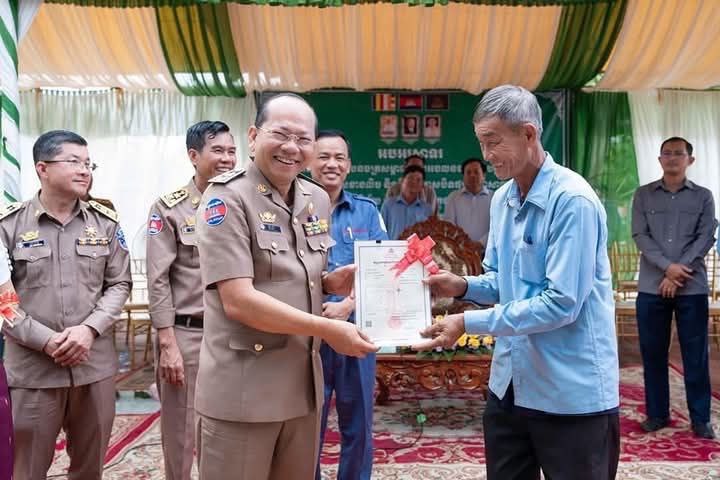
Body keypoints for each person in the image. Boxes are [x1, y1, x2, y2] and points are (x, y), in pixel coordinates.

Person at [413, 85, 620, 480]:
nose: (486, 155)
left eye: (493, 142)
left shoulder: (572, 201)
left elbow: (560, 303)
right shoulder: (503, 199)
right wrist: (462, 286)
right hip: (510, 384)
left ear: (528, 134)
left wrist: (466, 323)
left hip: (569, 392)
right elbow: (501, 280)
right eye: (481, 143)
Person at [194, 93, 377, 479]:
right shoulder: (225, 198)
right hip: (245, 393)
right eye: (281, 134)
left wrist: (330, 281)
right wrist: (329, 328)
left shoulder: (315, 198)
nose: (292, 147)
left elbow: (292, 278)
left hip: (302, 391)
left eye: (304, 139)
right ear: (253, 136)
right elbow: (239, 300)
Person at [0, 130, 131, 479]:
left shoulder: (105, 223)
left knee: (90, 468)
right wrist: (46, 340)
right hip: (34, 372)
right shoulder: (9, 226)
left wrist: (89, 330)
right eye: (73, 161)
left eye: (88, 163)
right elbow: (2, 301)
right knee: (27, 469)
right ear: (42, 168)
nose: (84, 170)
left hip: (93, 367)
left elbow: (120, 283)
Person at [147, 121, 237, 480]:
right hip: (188, 336)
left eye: (232, 151)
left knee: (231, 429)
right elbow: (157, 279)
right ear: (194, 156)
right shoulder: (170, 209)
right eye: (218, 151)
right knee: (182, 432)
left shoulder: (244, 203)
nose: (227, 159)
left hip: (237, 334)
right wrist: (167, 343)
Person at [309, 129, 388, 480]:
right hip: (307, 336)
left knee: (359, 424)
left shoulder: (366, 212)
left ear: (349, 165)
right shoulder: (290, 208)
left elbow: (381, 268)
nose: (332, 164)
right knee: (307, 425)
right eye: (324, 157)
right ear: (309, 162)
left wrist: (347, 305)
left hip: (357, 332)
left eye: (339, 158)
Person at [631, 136, 716, 439]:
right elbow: (640, 235)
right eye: (666, 153)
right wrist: (667, 268)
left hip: (692, 288)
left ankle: (700, 419)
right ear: (659, 159)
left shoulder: (704, 196)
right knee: (652, 353)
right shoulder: (643, 195)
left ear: (690, 160)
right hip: (651, 287)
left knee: (696, 355)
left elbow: (706, 237)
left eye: (678, 154)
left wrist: (677, 273)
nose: (672, 158)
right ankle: (657, 415)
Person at [444, 158, 493, 246]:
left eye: (476, 172)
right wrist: (464, 244)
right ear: (463, 176)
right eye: (468, 172)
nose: (472, 175)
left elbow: (497, 226)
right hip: (460, 249)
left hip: (488, 250)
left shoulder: (494, 197)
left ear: (484, 175)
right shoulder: (453, 197)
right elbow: (449, 224)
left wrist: (481, 244)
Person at [381, 165, 434, 240]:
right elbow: (380, 232)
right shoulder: (388, 205)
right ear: (402, 181)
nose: (414, 182)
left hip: (418, 247)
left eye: (418, 180)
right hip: (393, 247)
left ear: (422, 186)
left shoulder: (427, 209)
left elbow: (430, 236)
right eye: (410, 178)